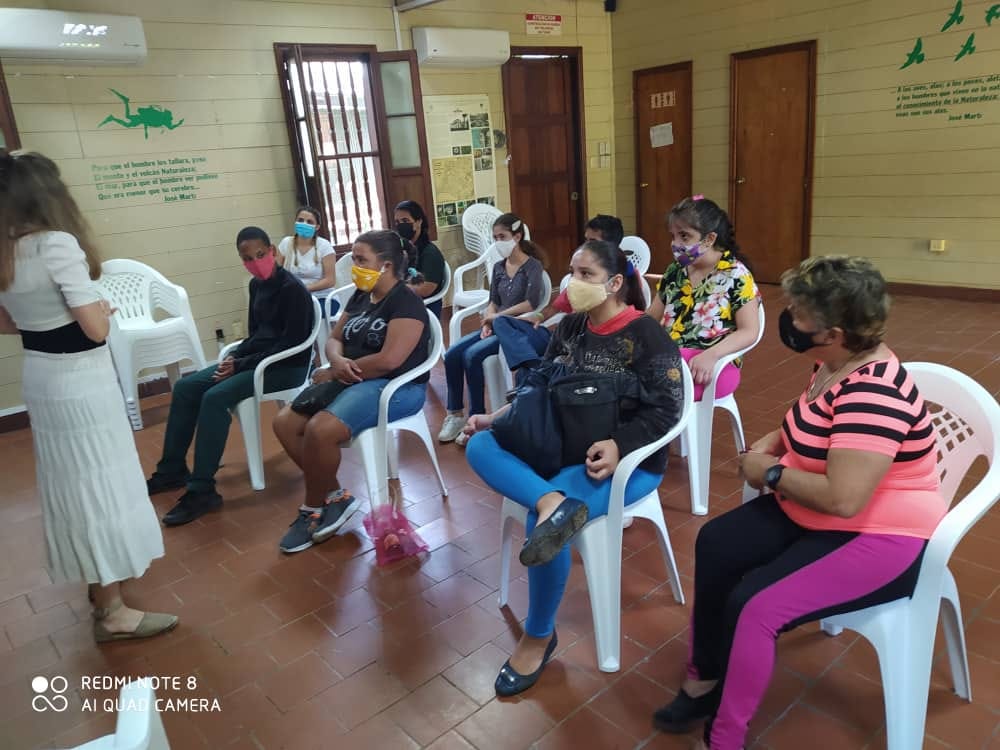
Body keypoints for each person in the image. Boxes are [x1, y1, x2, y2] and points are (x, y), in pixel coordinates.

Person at [653, 256, 948, 750]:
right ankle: (704, 677)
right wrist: (774, 440)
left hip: (880, 533)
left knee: (756, 606)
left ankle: (724, 737)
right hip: (816, 508)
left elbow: (844, 499)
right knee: (717, 543)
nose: (787, 317)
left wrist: (770, 472)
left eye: (797, 312)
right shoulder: (833, 362)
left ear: (833, 333)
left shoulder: (874, 392)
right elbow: (810, 418)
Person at [463, 240, 684, 696]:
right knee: (480, 445)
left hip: (616, 464)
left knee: (543, 527)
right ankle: (551, 500)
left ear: (615, 283)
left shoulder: (647, 336)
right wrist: (496, 417)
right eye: (572, 272)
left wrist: (620, 445)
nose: (573, 283)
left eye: (586, 275)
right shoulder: (571, 327)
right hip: (560, 445)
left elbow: (668, 411)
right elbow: (539, 387)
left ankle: (538, 635)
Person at [0, 151, 177, 642]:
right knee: (100, 482)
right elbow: (96, 329)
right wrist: (100, 308)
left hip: (41, 376)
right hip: (81, 381)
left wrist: (41, 319)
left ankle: (100, 584)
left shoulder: (5, 248)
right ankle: (112, 610)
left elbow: (5, 320)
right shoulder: (56, 245)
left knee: (72, 482)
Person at [272, 230, 430, 553]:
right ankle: (335, 497)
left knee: (319, 430)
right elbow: (334, 338)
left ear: (386, 266)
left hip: (396, 386)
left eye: (361, 260)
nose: (354, 266)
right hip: (353, 377)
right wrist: (336, 359)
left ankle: (311, 509)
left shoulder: (406, 303)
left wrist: (335, 370)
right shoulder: (362, 294)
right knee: (285, 423)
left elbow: (389, 360)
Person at [146, 227, 314, 526]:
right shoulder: (256, 286)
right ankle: (171, 470)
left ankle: (202, 490)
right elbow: (257, 335)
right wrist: (235, 358)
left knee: (214, 397)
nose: (255, 263)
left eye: (260, 255)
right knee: (185, 387)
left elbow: (291, 345)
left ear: (273, 251)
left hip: (285, 367)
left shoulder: (292, 289)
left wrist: (242, 363)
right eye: (247, 259)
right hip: (255, 363)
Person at [438, 212, 547, 446]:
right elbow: (493, 300)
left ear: (517, 236)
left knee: (472, 355)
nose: (498, 242)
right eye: (495, 237)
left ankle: (475, 419)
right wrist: (488, 319)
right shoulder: (498, 267)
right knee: (453, 354)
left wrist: (497, 317)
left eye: (502, 237)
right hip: (496, 324)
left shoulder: (532, 266)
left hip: (515, 328)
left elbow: (531, 303)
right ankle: (455, 414)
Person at [646, 196, 760, 402]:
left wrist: (712, 355)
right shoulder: (675, 271)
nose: (675, 244)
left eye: (684, 236)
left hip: (712, 366)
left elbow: (749, 331)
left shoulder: (735, 275)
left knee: (643, 390)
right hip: (671, 359)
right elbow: (652, 317)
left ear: (709, 239)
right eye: (673, 236)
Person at [492, 214, 625, 374]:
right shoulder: (581, 280)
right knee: (502, 322)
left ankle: (537, 370)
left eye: (592, 241)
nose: (586, 246)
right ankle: (534, 366)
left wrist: (560, 331)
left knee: (524, 370)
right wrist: (538, 317)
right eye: (586, 240)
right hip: (559, 337)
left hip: (583, 346)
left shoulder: (622, 280)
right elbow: (556, 307)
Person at [276, 206, 338, 314]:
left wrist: (303, 288)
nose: (304, 224)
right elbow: (275, 272)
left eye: (309, 222)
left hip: (322, 298)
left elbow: (330, 280)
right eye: (300, 220)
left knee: (300, 313)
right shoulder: (286, 243)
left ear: (317, 227)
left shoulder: (324, 246)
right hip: (293, 297)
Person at [393, 200, 446, 318]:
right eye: (397, 222)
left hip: (423, 308)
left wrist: (393, 287)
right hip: (403, 303)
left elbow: (425, 289)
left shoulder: (430, 253)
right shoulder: (402, 249)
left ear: (419, 222)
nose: (400, 225)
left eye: (405, 221)